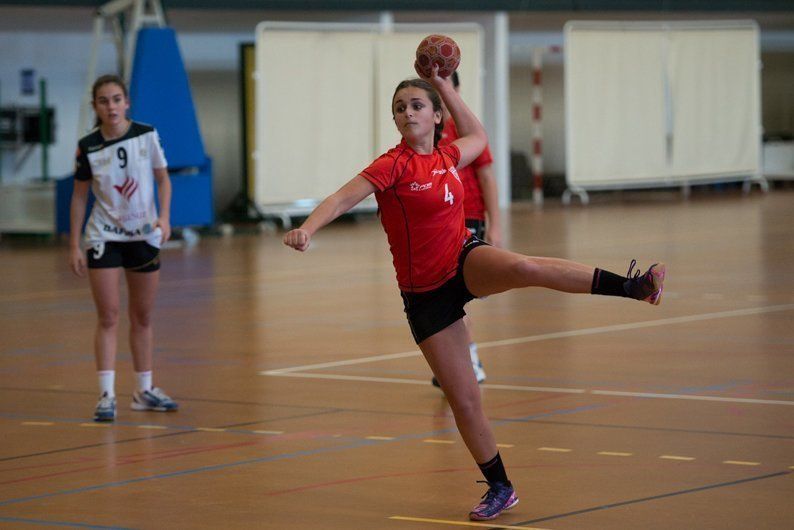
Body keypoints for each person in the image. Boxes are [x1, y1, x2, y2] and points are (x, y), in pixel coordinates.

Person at [283, 64, 665, 521]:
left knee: (526, 265)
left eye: (417, 105)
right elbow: (342, 198)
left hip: (463, 260)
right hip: (424, 295)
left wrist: (444, 84)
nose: (407, 113)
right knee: (464, 400)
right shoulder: (392, 165)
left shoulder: (448, 156)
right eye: (400, 107)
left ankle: (634, 287)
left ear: (436, 116)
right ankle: (501, 487)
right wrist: (308, 228)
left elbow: (479, 137)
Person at [69, 74, 178, 422]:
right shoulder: (88, 145)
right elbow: (79, 196)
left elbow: (163, 179)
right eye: (104, 101)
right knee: (109, 315)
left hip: (144, 234)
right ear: (95, 106)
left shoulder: (146, 135)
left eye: (116, 99)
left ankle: (144, 390)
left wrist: (164, 218)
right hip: (104, 236)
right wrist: (74, 244)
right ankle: (105, 395)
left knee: (142, 316)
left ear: (126, 102)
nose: (111, 106)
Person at [431, 71, 500, 387]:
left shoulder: (466, 130)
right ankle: (458, 365)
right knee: (443, 299)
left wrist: (495, 225)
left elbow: (486, 177)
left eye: (444, 86)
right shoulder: (425, 131)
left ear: (455, 88)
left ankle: (468, 362)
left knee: (452, 299)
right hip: (437, 223)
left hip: (468, 219)